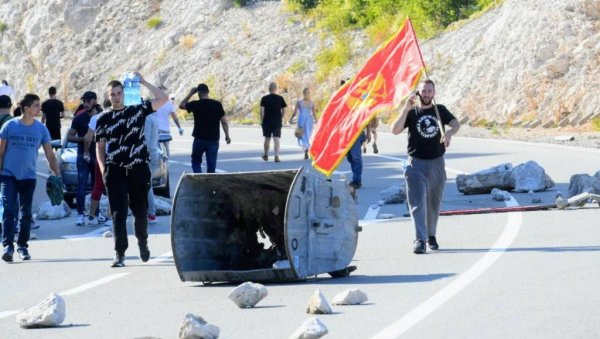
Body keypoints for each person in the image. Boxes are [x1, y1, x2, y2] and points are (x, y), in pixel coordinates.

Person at [95, 73, 168, 267]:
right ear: (108, 96)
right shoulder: (104, 118)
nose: (116, 97)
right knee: (118, 213)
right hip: (115, 170)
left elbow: (163, 99)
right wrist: (104, 170)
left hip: (138, 168)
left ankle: (142, 242)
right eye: (112, 94)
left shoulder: (137, 111)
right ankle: (119, 253)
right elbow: (100, 147)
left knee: (140, 211)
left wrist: (143, 81)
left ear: (124, 94)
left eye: (119, 93)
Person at [391, 79, 460, 254]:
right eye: (424, 91)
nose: (427, 94)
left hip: (436, 162)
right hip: (415, 163)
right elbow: (395, 129)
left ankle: (431, 236)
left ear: (434, 93)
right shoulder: (412, 112)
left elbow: (455, 123)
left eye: (430, 91)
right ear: (418, 92)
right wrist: (405, 108)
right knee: (417, 202)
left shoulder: (440, 110)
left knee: (433, 202)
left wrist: (450, 133)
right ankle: (419, 239)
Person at [0, 93, 60, 262]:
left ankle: (22, 246)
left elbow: (50, 155)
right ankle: (8, 247)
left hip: (28, 177)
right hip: (8, 175)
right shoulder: (9, 126)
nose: (40, 109)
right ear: (26, 108)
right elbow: (0, 151)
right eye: (36, 106)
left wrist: (57, 174)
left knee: (26, 213)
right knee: (9, 210)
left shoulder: (41, 129)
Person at [179, 83, 231, 173]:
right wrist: (227, 135)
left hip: (199, 138)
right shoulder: (217, 104)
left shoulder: (195, 104)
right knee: (211, 164)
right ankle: (209, 182)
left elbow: (181, 105)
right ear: (208, 92)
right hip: (214, 139)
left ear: (198, 93)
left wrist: (190, 93)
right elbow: (224, 122)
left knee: (196, 161)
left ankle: (199, 179)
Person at [67, 91, 100, 226]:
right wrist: (83, 139)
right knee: (81, 185)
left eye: (88, 101)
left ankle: (95, 214)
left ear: (94, 101)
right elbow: (69, 136)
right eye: (84, 101)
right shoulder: (79, 118)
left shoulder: (101, 116)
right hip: (82, 155)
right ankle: (80, 215)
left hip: (97, 155)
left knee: (96, 186)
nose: (86, 104)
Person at [83, 98, 111, 226]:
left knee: (98, 186)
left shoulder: (95, 118)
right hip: (117, 155)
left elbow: (88, 138)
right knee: (116, 186)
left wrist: (86, 152)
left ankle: (91, 216)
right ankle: (112, 215)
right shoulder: (120, 115)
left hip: (101, 154)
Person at [341, 79, 370, 189]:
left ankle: (357, 180)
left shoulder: (361, 98)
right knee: (350, 157)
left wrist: (368, 132)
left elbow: (367, 114)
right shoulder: (344, 100)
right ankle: (356, 177)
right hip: (346, 132)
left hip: (357, 132)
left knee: (356, 157)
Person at [260, 82, 287, 162]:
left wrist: (262, 120)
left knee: (267, 138)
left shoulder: (264, 98)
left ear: (269, 89)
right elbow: (284, 110)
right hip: (277, 121)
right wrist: (281, 117)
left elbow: (261, 111)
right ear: (276, 89)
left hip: (267, 121)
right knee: (276, 138)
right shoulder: (280, 98)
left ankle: (266, 155)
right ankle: (276, 156)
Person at [288, 87, 317, 160]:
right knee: (308, 134)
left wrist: (291, 119)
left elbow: (295, 112)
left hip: (301, 119)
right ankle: (307, 149)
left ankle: (305, 150)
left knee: (302, 134)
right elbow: (314, 113)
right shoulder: (312, 102)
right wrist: (317, 121)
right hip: (309, 119)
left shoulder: (299, 102)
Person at [144, 113, 159, 224]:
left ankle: (151, 213)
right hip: (151, 153)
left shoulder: (147, 119)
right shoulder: (152, 117)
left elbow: (145, 140)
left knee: (146, 184)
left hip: (147, 154)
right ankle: (150, 212)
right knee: (146, 184)